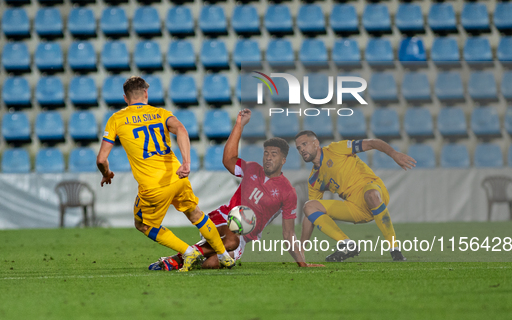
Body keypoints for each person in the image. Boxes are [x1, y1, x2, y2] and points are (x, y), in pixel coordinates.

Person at [150, 109, 323, 270]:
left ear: (283, 160)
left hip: (244, 238)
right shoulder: (252, 169)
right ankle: (176, 258)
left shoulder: (288, 192)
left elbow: (288, 233)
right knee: (231, 240)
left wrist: (303, 264)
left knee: (211, 264)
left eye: (274, 154)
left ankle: (193, 254)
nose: (268, 158)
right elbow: (228, 160)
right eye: (266, 153)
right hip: (224, 218)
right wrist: (239, 125)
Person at [96, 76, 234, 272]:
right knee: (194, 212)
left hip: (154, 186)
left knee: (142, 225)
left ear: (125, 98)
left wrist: (107, 172)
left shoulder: (116, 119)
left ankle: (187, 251)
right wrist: (186, 163)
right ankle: (224, 256)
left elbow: (101, 159)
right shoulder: (161, 113)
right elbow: (182, 131)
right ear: (146, 94)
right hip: (178, 176)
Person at [294, 131, 416, 262]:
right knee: (309, 206)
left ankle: (395, 249)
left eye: (304, 144)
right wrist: (301, 247)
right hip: (355, 208)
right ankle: (347, 244)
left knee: (371, 194)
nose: (302, 150)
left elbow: (372, 143)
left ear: (316, 143)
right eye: (299, 148)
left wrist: (394, 154)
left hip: (373, 190)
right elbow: (310, 216)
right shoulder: (314, 179)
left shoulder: (336, 149)